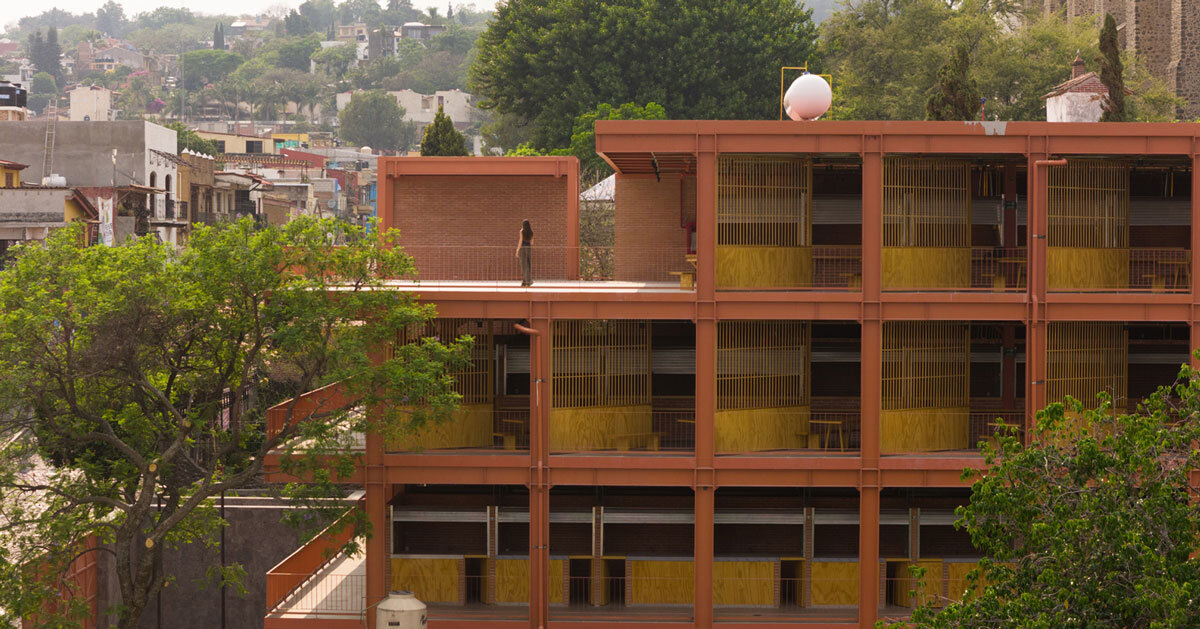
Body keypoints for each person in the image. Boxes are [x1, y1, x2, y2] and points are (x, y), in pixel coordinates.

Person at [516, 219, 533, 286]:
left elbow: (520, 241)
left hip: (522, 249)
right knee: (528, 265)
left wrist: (517, 250)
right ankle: (524, 282)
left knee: (524, 265)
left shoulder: (522, 231)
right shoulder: (531, 232)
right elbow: (532, 242)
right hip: (529, 249)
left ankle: (528, 281)